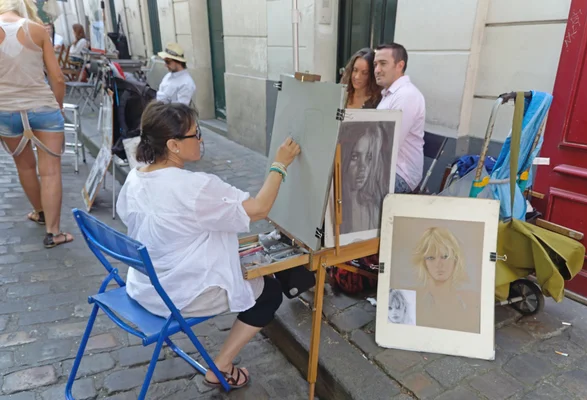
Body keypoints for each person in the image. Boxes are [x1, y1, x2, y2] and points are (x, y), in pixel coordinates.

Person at [116, 101, 300, 389]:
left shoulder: (136, 176)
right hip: (176, 294)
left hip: (144, 285)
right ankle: (221, 367)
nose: (201, 139)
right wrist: (280, 163)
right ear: (174, 145)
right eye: (195, 133)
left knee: (246, 265)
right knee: (270, 293)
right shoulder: (195, 187)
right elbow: (260, 208)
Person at [0, 0, 73, 248]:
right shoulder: (38, 30)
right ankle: (54, 232)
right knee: (50, 170)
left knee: (25, 167)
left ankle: (40, 212)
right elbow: (57, 77)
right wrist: (59, 106)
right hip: (42, 107)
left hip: (5, 109)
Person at [374, 42, 425, 194]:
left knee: (346, 189)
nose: (377, 70)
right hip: (386, 170)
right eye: (375, 64)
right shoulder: (391, 94)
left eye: (383, 64)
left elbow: (388, 144)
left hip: (400, 175)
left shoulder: (406, 95)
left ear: (399, 65)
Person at [411, 227, 479, 333]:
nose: (439, 264)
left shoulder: (470, 301)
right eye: (431, 258)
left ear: (455, 259)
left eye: (445, 256)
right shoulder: (414, 301)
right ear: (424, 262)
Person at [340, 122, 388, 234]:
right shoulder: (332, 210)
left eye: (369, 158)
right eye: (355, 157)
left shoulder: (373, 210)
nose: (363, 167)